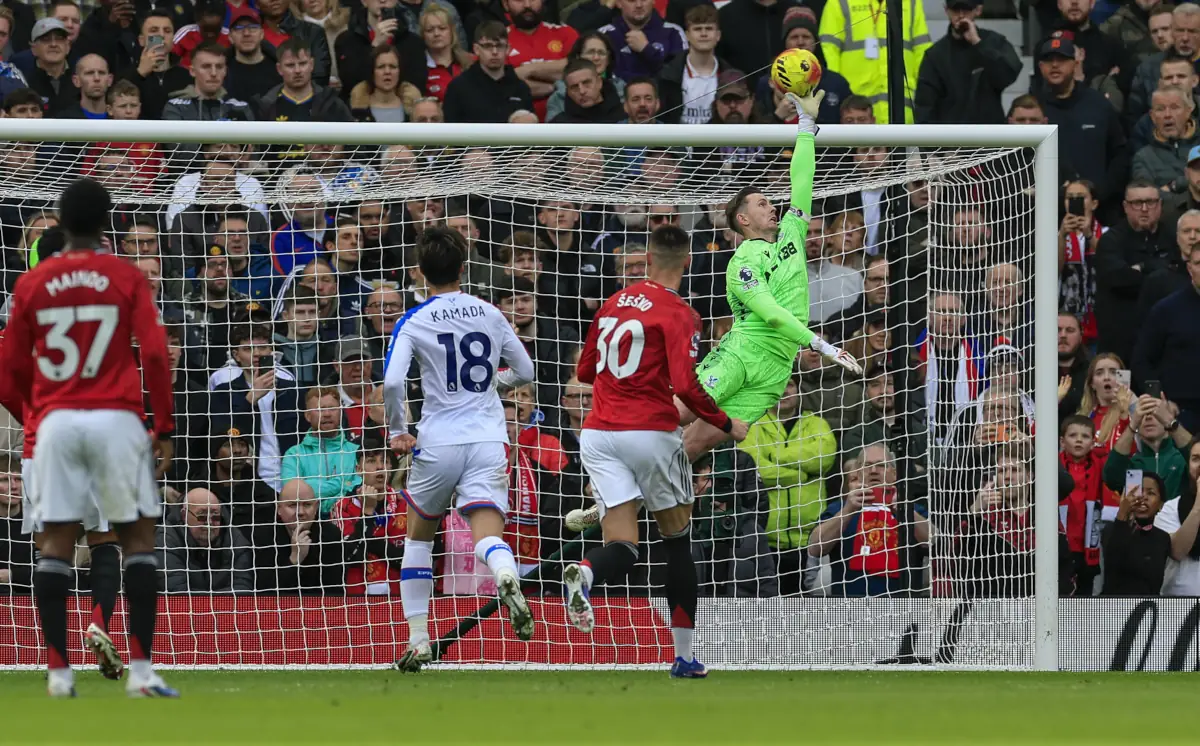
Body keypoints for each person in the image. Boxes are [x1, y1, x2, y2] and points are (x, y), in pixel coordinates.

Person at [0, 177, 177, 697]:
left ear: (61, 221)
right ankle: (141, 672)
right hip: (115, 419)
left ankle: (58, 672)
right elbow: (155, 354)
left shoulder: (30, 286)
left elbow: (8, 372)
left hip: (52, 424)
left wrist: (37, 414)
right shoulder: (124, 277)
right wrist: (162, 426)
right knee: (135, 541)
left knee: (53, 545)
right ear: (105, 223)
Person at [563, 225, 749, 679]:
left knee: (623, 545)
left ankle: (584, 574)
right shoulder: (681, 313)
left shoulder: (612, 303)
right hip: (648, 432)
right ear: (686, 262)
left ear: (646, 259)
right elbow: (687, 386)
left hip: (598, 434)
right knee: (677, 541)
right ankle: (684, 657)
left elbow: (586, 370)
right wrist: (728, 423)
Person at [383, 226, 537, 671]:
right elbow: (524, 369)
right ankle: (505, 573)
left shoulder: (414, 318)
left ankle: (418, 639)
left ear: (419, 274)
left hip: (439, 439)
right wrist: (494, 383)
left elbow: (393, 381)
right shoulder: (490, 312)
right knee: (487, 534)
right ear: (463, 269)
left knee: (419, 537)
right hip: (489, 437)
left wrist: (398, 429)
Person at [684, 90, 860, 462]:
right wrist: (822, 344)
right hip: (743, 354)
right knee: (674, 414)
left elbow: (803, 180)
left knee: (693, 447)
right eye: (763, 203)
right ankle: (609, 481)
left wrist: (806, 127)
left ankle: (610, 511)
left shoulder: (793, 232)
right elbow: (771, 313)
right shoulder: (742, 262)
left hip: (775, 371)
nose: (773, 206)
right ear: (743, 220)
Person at [913, 0, 1020, 125]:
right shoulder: (935, 55)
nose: (961, 15)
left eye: (966, 10)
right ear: (946, 10)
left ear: (978, 10)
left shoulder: (994, 42)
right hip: (951, 140)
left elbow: (1007, 76)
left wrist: (978, 43)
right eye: (955, 10)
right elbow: (925, 107)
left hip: (989, 137)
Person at [156, 488, 254, 593]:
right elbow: (177, 595)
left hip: (226, 609)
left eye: (215, 515)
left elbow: (243, 592)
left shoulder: (235, 539)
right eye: (202, 515)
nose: (209, 522)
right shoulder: (166, 539)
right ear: (184, 515)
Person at [442, 21, 533, 123]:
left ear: (508, 49)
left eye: (499, 46)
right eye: (488, 46)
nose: (494, 52)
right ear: (476, 49)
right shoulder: (458, 88)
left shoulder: (521, 88)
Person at [1102, 471, 1171, 596]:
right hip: (1112, 609)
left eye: (1151, 493)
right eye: (1138, 491)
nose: (1143, 497)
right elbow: (1112, 567)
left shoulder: (1163, 538)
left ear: (1161, 504)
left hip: (1148, 609)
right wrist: (1123, 513)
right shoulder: (1111, 529)